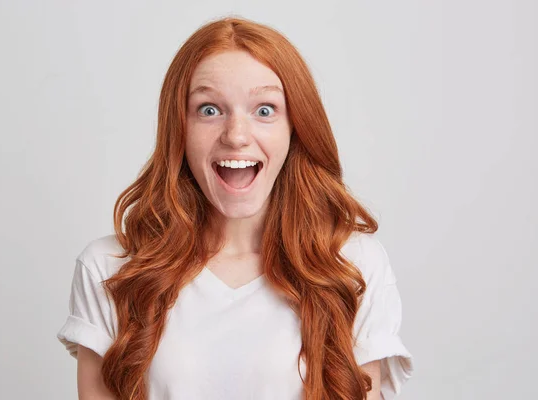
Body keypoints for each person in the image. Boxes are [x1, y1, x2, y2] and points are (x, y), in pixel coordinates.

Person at [57, 16, 413, 400]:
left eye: (264, 110)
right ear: (179, 128)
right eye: (209, 110)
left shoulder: (353, 266)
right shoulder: (110, 268)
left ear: (296, 127)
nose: (237, 136)